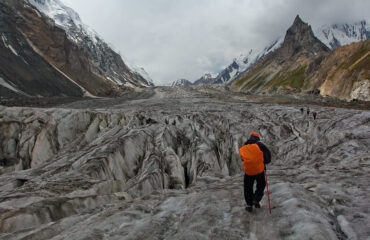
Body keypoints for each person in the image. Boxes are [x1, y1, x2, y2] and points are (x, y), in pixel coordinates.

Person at [239, 132, 271, 212]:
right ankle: (256, 199)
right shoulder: (260, 145)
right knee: (261, 185)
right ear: (257, 139)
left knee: (248, 187)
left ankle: (249, 205)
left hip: (248, 171)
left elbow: (242, 159)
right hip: (259, 170)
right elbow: (267, 159)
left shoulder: (244, 147)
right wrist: (262, 162)